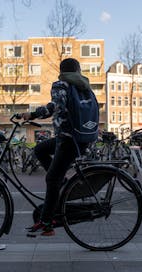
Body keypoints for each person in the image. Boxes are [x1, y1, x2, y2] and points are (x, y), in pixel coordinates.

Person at [21, 58, 97, 236]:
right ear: (78, 71)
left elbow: (55, 106)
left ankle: (47, 223)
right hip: (81, 138)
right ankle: (61, 182)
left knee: (51, 179)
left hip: (69, 140)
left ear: (61, 71)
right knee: (40, 149)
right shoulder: (84, 86)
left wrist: (32, 114)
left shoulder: (61, 84)